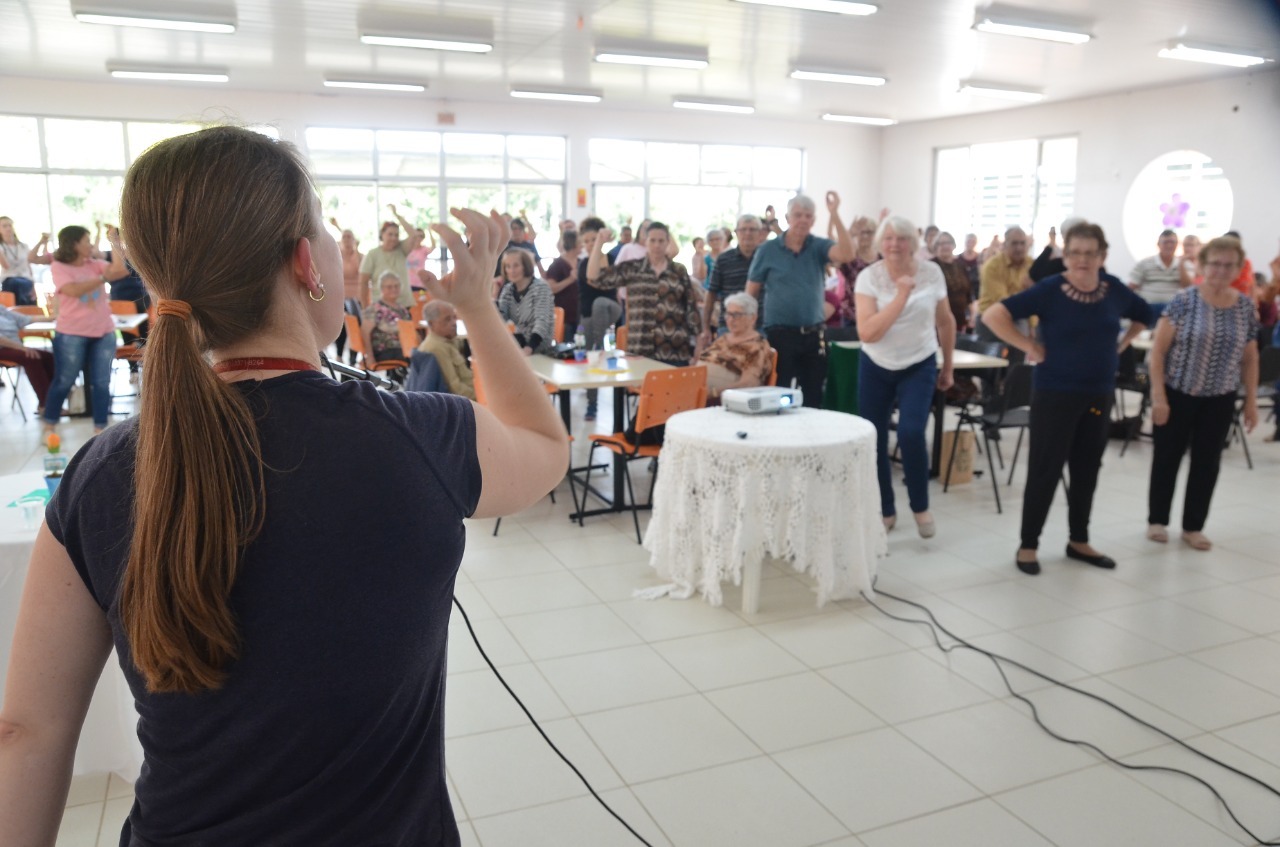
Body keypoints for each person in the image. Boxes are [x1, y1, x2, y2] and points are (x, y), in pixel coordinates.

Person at [0, 126, 566, 846]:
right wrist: (479, 310)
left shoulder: (105, 471)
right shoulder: (424, 437)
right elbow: (547, 448)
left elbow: (26, 732)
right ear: (308, 263)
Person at [982, 222, 1152, 576]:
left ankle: (1079, 540)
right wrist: (1029, 346)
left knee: (1087, 468)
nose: (1082, 260)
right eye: (1075, 252)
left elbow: (1145, 315)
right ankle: (1029, 544)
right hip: (1055, 393)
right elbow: (993, 314)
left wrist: (1122, 344)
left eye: (1090, 253)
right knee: (1046, 468)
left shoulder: (1114, 290)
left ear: (1102, 256)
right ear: (1066, 255)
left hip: (1098, 393)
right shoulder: (1050, 289)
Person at [1147, 236, 1260, 551]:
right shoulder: (1184, 300)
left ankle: (1193, 526)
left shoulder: (1245, 307)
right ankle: (1157, 520)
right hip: (1178, 392)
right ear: (1202, 265)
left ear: (1238, 268)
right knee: (1167, 457)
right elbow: (1157, 353)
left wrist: (1250, 401)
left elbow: (1250, 358)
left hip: (1220, 397)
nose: (1221, 271)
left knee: (1207, 462)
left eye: (1228, 265)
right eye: (1215, 264)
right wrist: (1159, 397)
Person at [854, 215, 956, 538]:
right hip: (876, 365)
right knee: (875, 439)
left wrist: (949, 365)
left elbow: (946, 321)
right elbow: (868, 333)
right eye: (888, 239)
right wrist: (900, 296)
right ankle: (885, 509)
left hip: (919, 362)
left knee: (912, 433)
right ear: (879, 244)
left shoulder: (932, 273)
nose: (895, 244)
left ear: (913, 243)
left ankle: (921, 506)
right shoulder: (868, 278)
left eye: (901, 238)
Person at [746, 193, 854, 406]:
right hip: (778, 335)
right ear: (787, 218)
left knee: (813, 397)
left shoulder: (819, 247)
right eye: (798, 215)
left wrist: (835, 213)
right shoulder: (767, 250)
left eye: (808, 216)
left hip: (813, 335)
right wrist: (751, 332)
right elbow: (751, 293)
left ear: (813, 221)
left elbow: (847, 254)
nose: (803, 220)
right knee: (777, 394)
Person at [41, 225, 130, 437]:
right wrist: (102, 279)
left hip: (103, 332)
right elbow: (72, 290)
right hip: (71, 332)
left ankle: (100, 430)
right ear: (74, 244)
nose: (91, 244)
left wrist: (114, 243)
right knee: (64, 379)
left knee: (101, 382)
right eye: (86, 240)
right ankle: (50, 424)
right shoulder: (59, 266)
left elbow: (121, 271)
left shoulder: (94, 264)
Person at [586, 221, 700, 365]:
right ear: (645, 242)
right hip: (640, 349)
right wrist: (599, 242)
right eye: (652, 240)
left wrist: (698, 346)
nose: (657, 245)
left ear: (667, 243)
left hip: (675, 349)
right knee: (642, 387)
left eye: (661, 241)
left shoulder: (679, 271)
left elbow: (691, 307)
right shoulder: (633, 268)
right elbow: (594, 277)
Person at [575, 217, 620, 421]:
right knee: (590, 357)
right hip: (590, 319)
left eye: (596, 239)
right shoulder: (584, 264)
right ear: (583, 244)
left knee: (600, 303)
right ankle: (592, 404)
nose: (592, 244)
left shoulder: (611, 260)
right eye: (588, 241)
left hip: (610, 309)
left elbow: (607, 287)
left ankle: (598, 348)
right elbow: (592, 284)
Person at [698, 292, 773, 402]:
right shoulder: (723, 338)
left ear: (753, 318)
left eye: (736, 315)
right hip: (695, 388)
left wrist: (714, 392)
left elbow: (749, 384)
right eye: (728, 314)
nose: (731, 319)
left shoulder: (757, 346)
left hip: (718, 399)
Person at [700, 214, 765, 342]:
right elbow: (711, 293)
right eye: (743, 229)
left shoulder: (767, 258)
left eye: (752, 229)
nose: (748, 233)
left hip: (761, 327)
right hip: (729, 326)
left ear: (759, 233)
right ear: (736, 232)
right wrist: (706, 327)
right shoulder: (723, 259)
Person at [358, 205, 423, 309]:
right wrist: (365, 307)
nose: (393, 238)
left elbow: (414, 235)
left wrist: (397, 215)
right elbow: (363, 283)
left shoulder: (402, 249)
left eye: (396, 235)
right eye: (390, 234)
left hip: (403, 305)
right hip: (381, 306)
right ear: (382, 234)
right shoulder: (372, 254)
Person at [496, 248, 554, 355]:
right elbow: (500, 318)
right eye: (508, 267)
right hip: (520, 342)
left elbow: (542, 323)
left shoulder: (541, 288)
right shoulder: (508, 289)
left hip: (539, 347)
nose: (512, 271)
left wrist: (529, 348)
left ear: (525, 266)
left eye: (516, 265)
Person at [417, 299, 475, 400]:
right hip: (467, 400)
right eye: (447, 319)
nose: (454, 323)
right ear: (431, 324)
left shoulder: (449, 340)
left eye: (454, 318)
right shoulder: (435, 348)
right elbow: (455, 388)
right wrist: (483, 397)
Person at [0, 304, 55, 409]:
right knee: (30, 357)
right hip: (3, 348)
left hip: (14, 347)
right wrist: (22, 348)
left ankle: (51, 400)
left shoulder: (1, 310)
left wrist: (55, 317)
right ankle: (46, 405)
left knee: (49, 357)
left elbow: (26, 319)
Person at [1128, 229, 1184, 319]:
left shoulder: (1185, 265)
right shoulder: (1144, 263)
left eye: (1172, 242)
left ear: (1177, 244)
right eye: (1166, 242)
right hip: (1148, 308)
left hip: (1175, 311)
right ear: (1158, 244)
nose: (1169, 245)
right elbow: (1131, 287)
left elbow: (1189, 287)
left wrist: (1182, 266)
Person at [834, 215, 879, 327]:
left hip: (877, 314)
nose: (865, 236)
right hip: (852, 317)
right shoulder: (850, 257)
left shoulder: (881, 258)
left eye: (869, 232)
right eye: (861, 232)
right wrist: (848, 233)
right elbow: (837, 256)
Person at [360, 271, 412, 363]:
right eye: (389, 287)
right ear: (382, 289)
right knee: (418, 357)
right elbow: (364, 332)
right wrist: (369, 356)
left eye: (396, 286)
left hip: (404, 348)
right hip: (384, 351)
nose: (394, 289)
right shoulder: (375, 309)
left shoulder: (402, 309)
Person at [0, 217, 50, 306]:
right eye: (4, 226)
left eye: (10, 225)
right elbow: (6, 266)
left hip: (26, 280)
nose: (8, 228)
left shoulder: (23, 246)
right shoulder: (2, 247)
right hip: (10, 281)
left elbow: (29, 266)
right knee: (16, 284)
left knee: (25, 286)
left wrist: (33, 285)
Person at [932, 231, 974, 332]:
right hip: (938, 322)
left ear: (954, 245)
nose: (945, 246)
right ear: (935, 247)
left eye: (948, 242)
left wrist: (972, 316)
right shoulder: (931, 266)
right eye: (941, 243)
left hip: (960, 320)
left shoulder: (961, 265)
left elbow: (969, 296)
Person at [544, 230, 580, 331]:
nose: (582, 245)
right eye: (580, 242)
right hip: (564, 317)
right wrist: (570, 279)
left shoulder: (581, 262)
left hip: (580, 315)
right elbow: (551, 288)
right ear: (573, 243)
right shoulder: (557, 265)